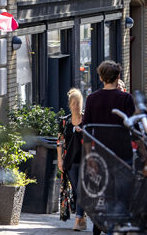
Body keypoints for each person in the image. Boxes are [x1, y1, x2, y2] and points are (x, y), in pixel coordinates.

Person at [83, 61, 135, 235]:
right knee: (122, 196)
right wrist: (143, 151)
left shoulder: (92, 99)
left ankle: (98, 230)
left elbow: (87, 130)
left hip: (101, 155)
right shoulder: (126, 99)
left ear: (100, 77)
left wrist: (90, 157)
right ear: (118, 77)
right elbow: (134, 128)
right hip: (123, 154)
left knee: (102, 195)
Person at [58, 88, 87, 231]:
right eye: (74, 103)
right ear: (69, 104)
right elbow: (60, 142)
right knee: (76, 190)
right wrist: (59, 160)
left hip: (85, 160)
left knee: (81, 189)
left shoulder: (87, 119)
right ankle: (82, 217)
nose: (77, 105)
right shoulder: (65, 122)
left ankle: (78, 220)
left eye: (79, 102)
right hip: (70, 161)